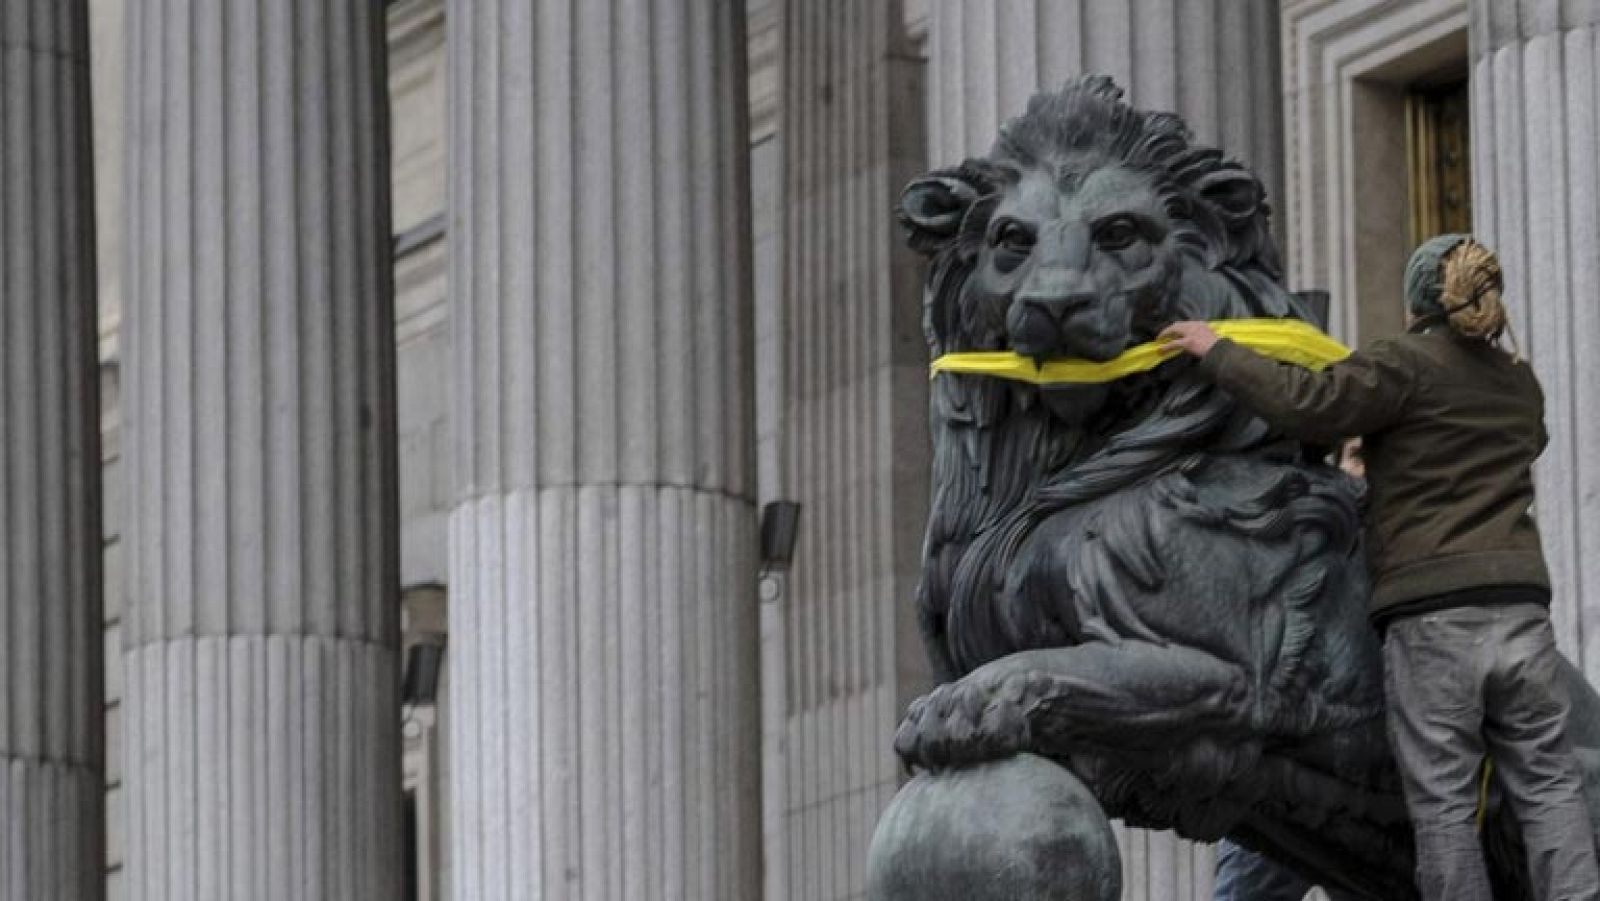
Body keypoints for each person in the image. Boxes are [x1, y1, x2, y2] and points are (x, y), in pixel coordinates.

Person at [1163, 235, 1600, 901]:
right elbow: (1530, 438)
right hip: (1521, 612)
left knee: (1445, 800)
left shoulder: (1403, 364)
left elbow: (1309, 403)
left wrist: (1217, 350)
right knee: (1548, 784)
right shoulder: (1519, 380)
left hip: (1434, 618)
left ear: (1416, 303)